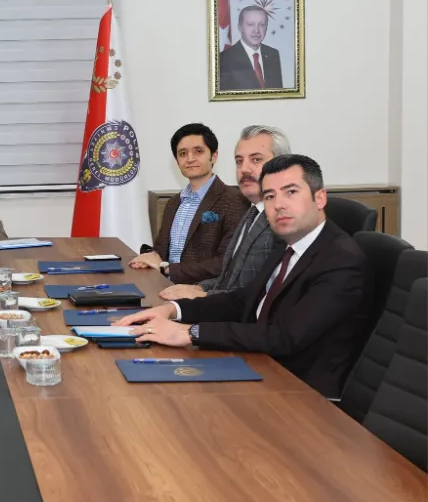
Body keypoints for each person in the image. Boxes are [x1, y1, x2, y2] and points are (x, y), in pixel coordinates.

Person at [116, 155, 372, 398]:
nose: (278, 204)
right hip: (261, 364)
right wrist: (173, 310)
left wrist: (190, 333)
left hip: (301, 392)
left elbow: (284, 337)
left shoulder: (341, 260)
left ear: (320, 198)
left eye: (291, 192)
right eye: (269, 196)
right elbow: (242, 301)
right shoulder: (289, 244)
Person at [159, 125, 291, 301]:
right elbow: (230, 277)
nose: (245, 169)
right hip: (196, 294)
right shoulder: (253, 213)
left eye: (256, 159)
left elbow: (261, 293)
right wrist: (199, 288)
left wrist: (203, 294)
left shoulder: (285, 218)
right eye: (239, 161)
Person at [130, 123, 249, 284]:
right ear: (177, 161)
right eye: (183, 153)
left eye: (198, 151)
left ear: (214, 156)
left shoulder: (235, 200)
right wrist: (148, 259)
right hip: (163, 286)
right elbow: (160, 251)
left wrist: (167, 268)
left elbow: (225, 262)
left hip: (203, 292)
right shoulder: (173, 203)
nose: (190, 159)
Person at [218, 6, 283, 91]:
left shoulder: (273, 54)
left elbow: (277, 93)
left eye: (262, 25)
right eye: (250, 24)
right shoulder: (225, 58)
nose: (256, 30)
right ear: (240, 27)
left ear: (266, 27)